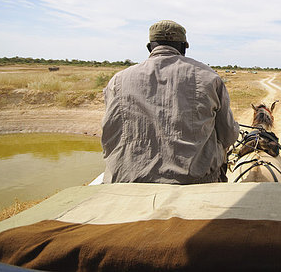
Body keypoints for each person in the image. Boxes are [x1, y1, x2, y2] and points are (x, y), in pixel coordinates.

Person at [100, 20, 240, 184]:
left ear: (149, 47)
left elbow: (108, 136)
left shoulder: (118, 80)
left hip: (127, 179)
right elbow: (228, 136)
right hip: (196, 180)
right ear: (183, 47)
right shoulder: (208, 77)